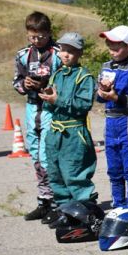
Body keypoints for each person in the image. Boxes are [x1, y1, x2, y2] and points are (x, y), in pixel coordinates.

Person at [37, 32, 97, 211]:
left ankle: (86, 210)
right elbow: (52, 106)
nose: (65, 54)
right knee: (55, 173)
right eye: (63, 50)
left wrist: (58, 100)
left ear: (80, 54)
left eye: (71, 51)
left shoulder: (84, 77)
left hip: (74, 133)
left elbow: (83, 105)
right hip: (55, 132)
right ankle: (65, 210)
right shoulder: (57, 75)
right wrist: (48, 99)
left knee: (74, 174)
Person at [13, 12, 61, 221]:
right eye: (33, 37)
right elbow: (16, 81)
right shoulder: (23, 55)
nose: (36, 40)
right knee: (35, 154)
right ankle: (44, 200)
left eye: (41, 36)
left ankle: (58, 201)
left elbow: (66, 80)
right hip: (33, 108)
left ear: (48, 33)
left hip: (52, 108)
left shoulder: (59, 53)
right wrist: (25, 85)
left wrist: (46, 85)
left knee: (47, 155)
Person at [95, 25, 128, 209]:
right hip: (110, 121)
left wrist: (116, 96)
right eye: (110, 45)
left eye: (117, 46)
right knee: (114, 170)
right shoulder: (106, 66)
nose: (112, 50)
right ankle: (118, 207)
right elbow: (99, 97)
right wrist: (103, 90)